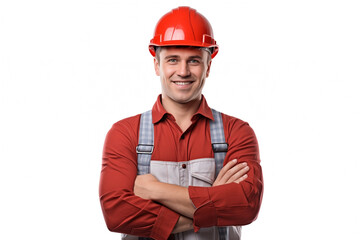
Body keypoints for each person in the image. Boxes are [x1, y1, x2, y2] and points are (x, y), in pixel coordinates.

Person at [99, 6, 263, 240]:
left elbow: (246, 206)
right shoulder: (126, 134)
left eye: (194, 60)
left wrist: (154, 190)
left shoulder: (236, 132)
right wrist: (214, 202)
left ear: (208, 66)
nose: (183, 71)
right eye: (173, 60)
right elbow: (117, 214)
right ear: (157, 65)